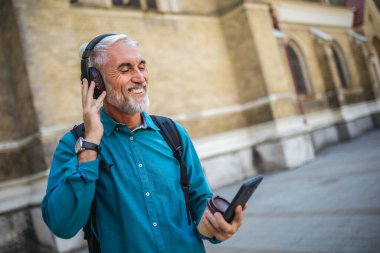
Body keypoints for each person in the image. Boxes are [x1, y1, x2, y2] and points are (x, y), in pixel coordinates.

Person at [41, 34, 245, 253]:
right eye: (125, 69)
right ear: (96, 82)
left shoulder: (173, 133)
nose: (140, 78)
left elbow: (199, 200)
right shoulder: (74, 144)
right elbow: (62, 226)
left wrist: (217, 224)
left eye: (142, 66)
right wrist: (90, 145)